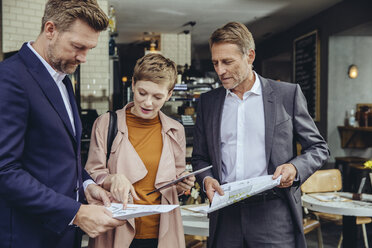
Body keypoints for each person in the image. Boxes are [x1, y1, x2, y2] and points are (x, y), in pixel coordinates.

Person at [191, 22, 330, 248]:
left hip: (273, 212)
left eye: (227, 62)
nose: (220, 70)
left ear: (250, 56)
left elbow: (318, 148)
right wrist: (206, 179)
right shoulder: (208, 103)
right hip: (225, 215)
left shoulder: (287, 94)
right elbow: (200, 157)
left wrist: (294, 169)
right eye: (215, 62)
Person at [0, 1, 126, 247]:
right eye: (78, 47)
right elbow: (5, 170)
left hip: (63, 236)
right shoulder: (9, 78)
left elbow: (61, 155)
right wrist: (75, 212)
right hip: (28, 236)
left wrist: (86, 185)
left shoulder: (63, 78)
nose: (83, 58)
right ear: (50, 30)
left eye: (89, 49)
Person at [85, 53, 195, 248]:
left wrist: (184, 181)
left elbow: (175, 183)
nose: (148, 103)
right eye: (142, 93)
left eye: (157, 96)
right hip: (116, 229)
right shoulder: (105, 123)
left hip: (162, 232)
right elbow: (91, 174)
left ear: (169, 95)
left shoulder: (175, 129)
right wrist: (112, 178)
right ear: (133, 84)